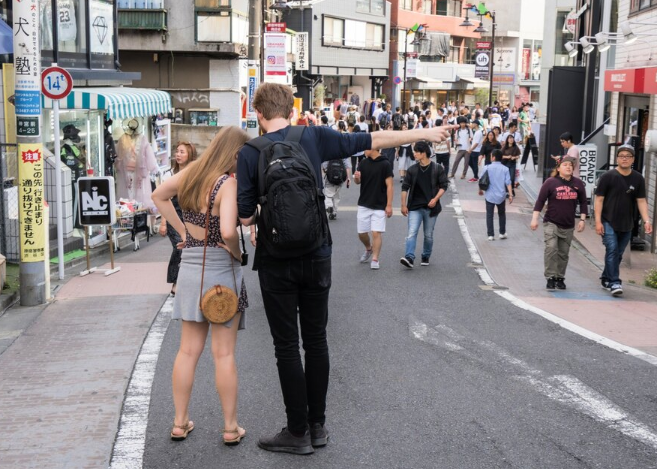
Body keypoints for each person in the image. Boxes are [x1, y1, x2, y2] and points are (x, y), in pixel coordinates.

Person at [236, 83, 452, 455]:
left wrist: (265, 217)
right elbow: (374, 138)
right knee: (316, 339)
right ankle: (317, 427)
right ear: (291, 109)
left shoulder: (250, 152)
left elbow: (244, 215)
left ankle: (297, 430)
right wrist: (424, 133)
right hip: (317, 251)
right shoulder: (315, 136)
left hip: (276, 261)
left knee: (287, 346)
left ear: (258, 113)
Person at [151, 126, 250, 445]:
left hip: (190, 269)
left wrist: (184, 233)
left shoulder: (191, 173)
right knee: (223, 355)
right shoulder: (227, 183)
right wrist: (236, 253)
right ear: (234, 154)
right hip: (221, 271)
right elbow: (229, 231)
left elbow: (158, 196)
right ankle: (230, 428)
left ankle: (179, 422)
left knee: (187, 351)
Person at [594, 145, 653, 297]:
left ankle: (606, 277)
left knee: (618, 254)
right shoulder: (608, 176)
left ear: (633, 159)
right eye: (621, 156)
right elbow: (599, 199)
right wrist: (598, 221)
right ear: (617, 158)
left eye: (628, 156)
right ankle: (615, 282)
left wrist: (647, 220)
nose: (625, 158)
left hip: (627, 223)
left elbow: (641, 200)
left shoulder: (638, 178)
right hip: (608, 220)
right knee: (612, 250)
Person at [530, 156, 588, 290]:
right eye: (565, 165)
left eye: (570, 165)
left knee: (563, 253)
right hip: (551, 222)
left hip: (568, 224)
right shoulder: (550, 182)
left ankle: (560, 277)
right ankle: (550, 277)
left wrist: (583, 220)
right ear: (558, 168)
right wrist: (535, 218)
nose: (568, 167)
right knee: (551, 248)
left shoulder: (578, 183)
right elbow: (540, 201)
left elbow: (583, 202)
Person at [400, 141, 449, 268]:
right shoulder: (412, 170)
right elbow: (405, 187)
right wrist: (403, 205)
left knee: (428, 235)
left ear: (423, 153)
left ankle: (426, 255)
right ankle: (409, 258)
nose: (414, 154)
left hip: (431, 208)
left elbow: (444, 185)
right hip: (414, 207)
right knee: (412, 232)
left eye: (416, 152)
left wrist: (436, 198)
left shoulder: (437, 168)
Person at [159, 141, 199, 296]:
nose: (178, 155)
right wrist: (163, 223)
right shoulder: (169, 174)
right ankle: (175, 282)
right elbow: (164, 200)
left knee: (190, 249)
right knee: (179, 248)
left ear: (190, 155)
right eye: (177, 151)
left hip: (190, 218)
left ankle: (187, 281)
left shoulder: (195, 174)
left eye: (182, 152)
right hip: (173, 218)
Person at [354, 148, 393, 270]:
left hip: (380, 205)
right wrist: (356, 178)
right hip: (364, 203)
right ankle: (368, 248)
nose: (363, 151)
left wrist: (389, 205)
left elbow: (390, 186)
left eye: (365, 148)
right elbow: (358, 182)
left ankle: (375, 259)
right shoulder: (363, 163)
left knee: (376, 232)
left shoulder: (385, 164)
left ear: (373, 148)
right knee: (362, 233)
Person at [478, 149, 513, 240]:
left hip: (489, 195)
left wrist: (480, 190)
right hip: (501, 195)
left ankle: (490, 235)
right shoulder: (505, 169)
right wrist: (510, 195)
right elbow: (508, 182)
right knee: (501, 214)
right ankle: (502, 233)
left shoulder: (487, 167)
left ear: (493, 157)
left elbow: (481, 180)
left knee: (489, 214)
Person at [322, 156, 351, 220]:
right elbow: (347, 166)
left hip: (330, 177)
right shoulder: (342, 151)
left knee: (328, 194)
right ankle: (334, 212)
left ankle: (329, 206)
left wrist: (327, 171)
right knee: (336, 195)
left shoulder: (329, 151)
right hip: (340, 178)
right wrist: (348, 178)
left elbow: (324, 165)